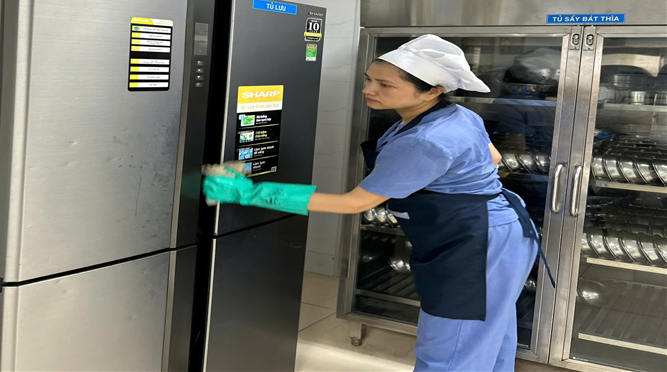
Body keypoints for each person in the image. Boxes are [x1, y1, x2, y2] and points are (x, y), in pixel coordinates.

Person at [203, 34, 551, 372]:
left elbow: (354, 203)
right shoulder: (455, 115)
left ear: (433, 90)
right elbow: (493, 159)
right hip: (502, 231)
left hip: (476, 245)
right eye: (369, 79)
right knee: (488, 334)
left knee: (451, 350)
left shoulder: (426, 139)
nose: (369, 90)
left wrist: (250, 193)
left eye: (385, 85)